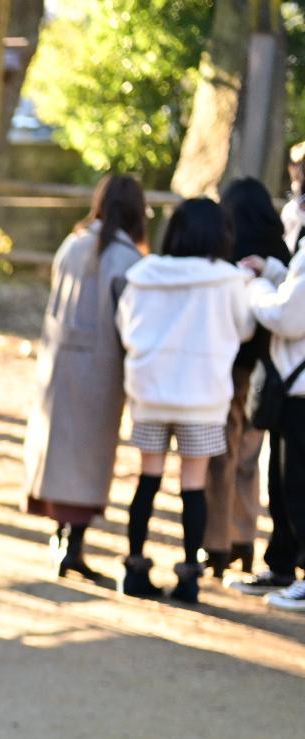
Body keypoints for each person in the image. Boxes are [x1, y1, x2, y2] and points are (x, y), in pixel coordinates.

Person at [116, 197, 256, 604]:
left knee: (148, 480)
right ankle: (189, 577)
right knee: (193, 486)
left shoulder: (144, 273)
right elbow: (245, 328)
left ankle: (134, 567)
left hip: (150, 392)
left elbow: (125, 325)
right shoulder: (227, 279)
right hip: (202, 397)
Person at [22, 174, 148, 583]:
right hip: (101, 367)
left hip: (60, 364)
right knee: (88, 456)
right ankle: (73, 544)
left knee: (61, 451)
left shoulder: (72, 245)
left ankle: (63, 539)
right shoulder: (127, 260)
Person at [209, 178, 291, 578]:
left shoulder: (226, 254)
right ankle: (244, 538)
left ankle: (218, 543)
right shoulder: (280, 253)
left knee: (221, 453)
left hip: (229, 368)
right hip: (270, 374)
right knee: (249, 458)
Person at [242, 234, 305, 610]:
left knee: (298, 486)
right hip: (293, 386)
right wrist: (275, 271)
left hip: (300, 389)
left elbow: (289, 316)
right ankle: (281, 567)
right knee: (283, 485)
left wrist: (257, 286)